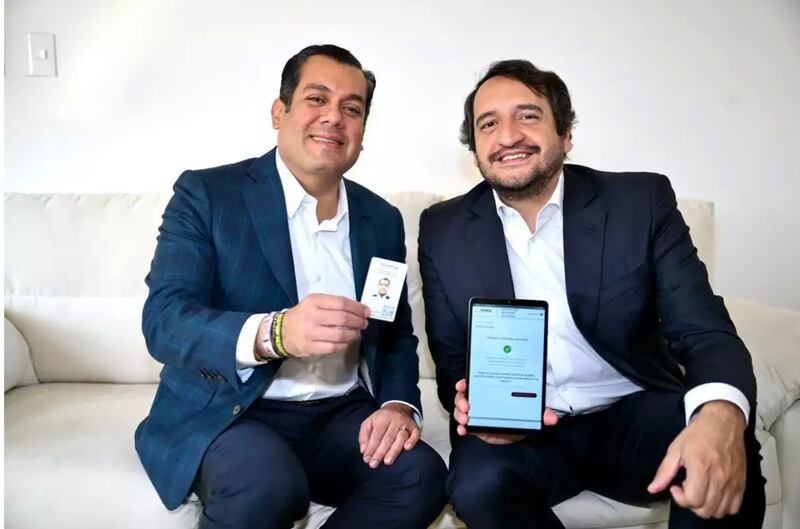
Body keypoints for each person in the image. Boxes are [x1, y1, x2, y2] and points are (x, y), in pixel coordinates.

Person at [418, 59, 765, 528]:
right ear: (475, 148)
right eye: (489, 124)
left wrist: (720, 413)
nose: (508, 136)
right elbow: (453, 361)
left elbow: (705, 332)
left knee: (720, 432)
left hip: (633, 414)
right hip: (527, 432)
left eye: (528, 116)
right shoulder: (442, 228)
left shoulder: (639, 203)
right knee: (476, 484)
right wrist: (475, 404)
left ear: (565, 134)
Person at [135, 44, 446, 529]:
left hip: (340, 414)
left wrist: (397, 404)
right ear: (279, 112)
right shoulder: (207, 195)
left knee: (422, 477)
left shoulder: (381, 219)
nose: (334, 117)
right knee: (268, 487)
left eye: (352, 109)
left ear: (362, 132)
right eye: (316, 99)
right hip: (234, 413)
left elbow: (394, 334)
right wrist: (275, 333)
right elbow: (165, 321)